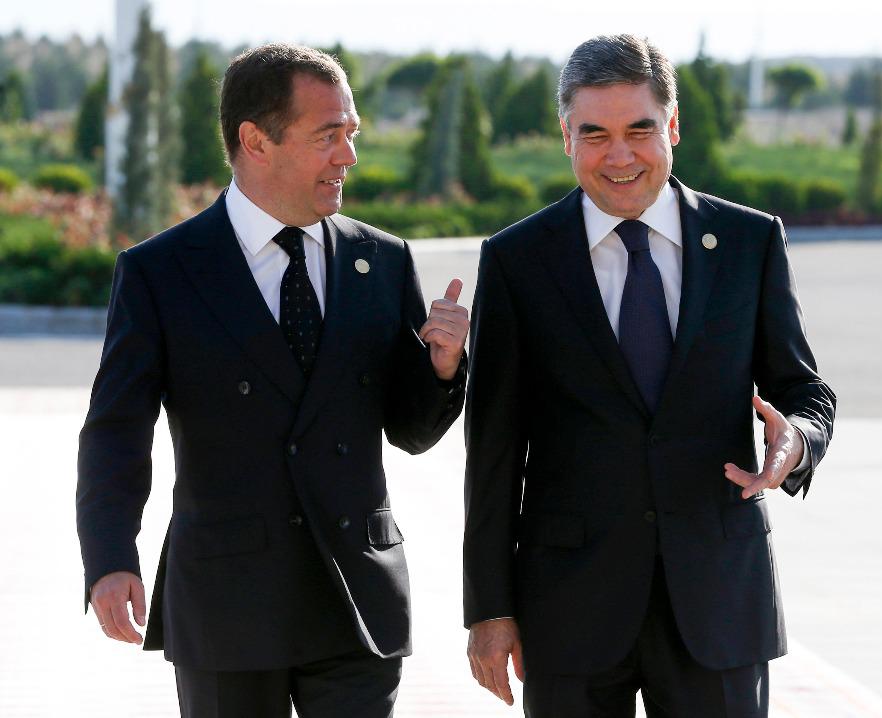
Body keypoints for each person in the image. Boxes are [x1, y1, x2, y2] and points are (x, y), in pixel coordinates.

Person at [77, 43, 469, 718]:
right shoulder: (161, 272)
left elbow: (410, 431)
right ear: (256, 141)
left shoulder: (381, 261)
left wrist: (442, 367)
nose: (348, 155)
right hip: (226, 602)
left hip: (356, 599)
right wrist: (111, 558)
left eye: (351, 134)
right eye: (328, 136)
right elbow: (117, 431)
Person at [462, 34, 835, 717]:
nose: (620, 155)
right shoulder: (517, 260)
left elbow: (803, 389)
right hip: (568, 605)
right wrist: (489, 609)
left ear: (673, 126)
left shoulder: (748, 242)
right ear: (565, 136)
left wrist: (797, 441)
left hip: (718, 600)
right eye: (594, 134)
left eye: (640, 130)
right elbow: (492, 450)